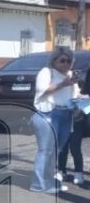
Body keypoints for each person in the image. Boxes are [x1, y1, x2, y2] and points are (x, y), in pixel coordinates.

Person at [31, 49, 78, 194]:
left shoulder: (70, 75)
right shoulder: (47, 72)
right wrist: (62, 84)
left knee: (56, 151)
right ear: (54, 60)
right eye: (62, 60)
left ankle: (49, 182)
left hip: (65, 114)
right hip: (48, 114)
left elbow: (73, 94)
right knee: (45, 151)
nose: (66, 64)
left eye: (69, 61)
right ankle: (38, 185)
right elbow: (42, 90)